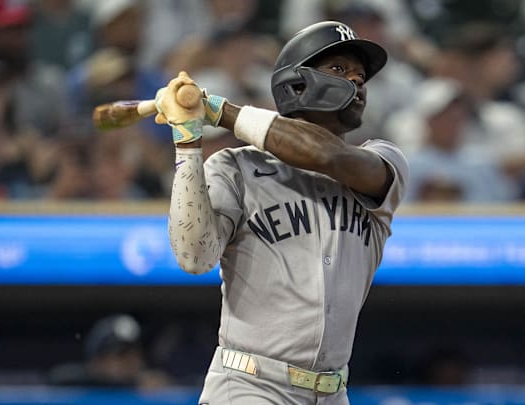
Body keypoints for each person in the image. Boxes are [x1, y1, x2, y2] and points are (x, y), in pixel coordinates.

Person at [152, 21, 408, 404]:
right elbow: (194, 257)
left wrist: (222, 111)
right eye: (339, 70)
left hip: (334, 391)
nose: (357, 82)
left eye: (361, 75)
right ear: (298, 84)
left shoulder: (383, 161)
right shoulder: (235, 167)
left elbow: (327, 155)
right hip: (249, 385)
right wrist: (187, 145)